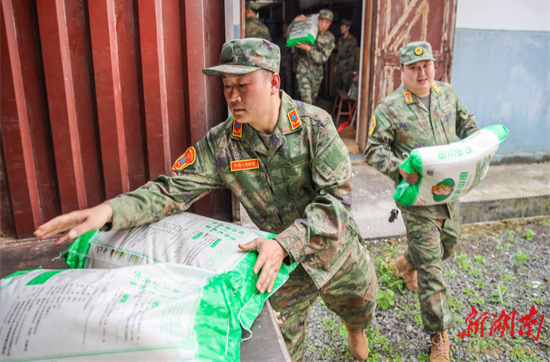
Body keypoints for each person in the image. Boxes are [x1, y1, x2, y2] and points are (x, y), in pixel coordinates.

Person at [34, 38, 377, 362]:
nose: (233, 96)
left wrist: (287, 243)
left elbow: (336, 204)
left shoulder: (315, 126)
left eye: (243, 85)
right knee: (279, 348)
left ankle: (354, 328)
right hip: (277, 267)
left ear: (273, 82)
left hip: (336, 252)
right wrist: (109, 211)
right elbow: (171, 189)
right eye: (227, 86)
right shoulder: (223, 144)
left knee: (360, 307)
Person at [364, 41, 480, 362]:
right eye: (413, 68)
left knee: (450, 244)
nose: (421, 72)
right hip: (416, 198)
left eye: (426, 65)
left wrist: (479, 142)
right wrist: (398, 168)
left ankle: (405, 262)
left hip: (447, 191)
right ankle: (438, 336)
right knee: (433, 268)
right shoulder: (390, 108)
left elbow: (467, 124)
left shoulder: (446, 94)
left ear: (434, 66)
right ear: (401, 70)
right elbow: (373, 148)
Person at [291, 9, 335, 105]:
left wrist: (309, 49)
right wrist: (295, 21)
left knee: (312, 101)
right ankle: (303, 119)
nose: (323, 25)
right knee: (306, 100)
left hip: (316, 75)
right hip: (303, 70)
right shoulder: (307, 30)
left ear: (330, 23)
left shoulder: (330, 38)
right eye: (321, 21)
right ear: (318, 20)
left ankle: (306, 118)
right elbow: (290, 35)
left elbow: (323, 58)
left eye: (326, 22)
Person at [334, 19, 358, 92]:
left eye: (343, 26)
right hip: (339, 65)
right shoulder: (341, 39)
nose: (341, 28)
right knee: (337, 85)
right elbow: (338, 53)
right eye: (341, 26)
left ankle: (344, 103)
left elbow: (352, 56)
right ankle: (337, 103)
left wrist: (349, 68)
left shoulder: (352, 40)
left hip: (346, 67)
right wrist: (336, 65)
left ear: (348, 27)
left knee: (345, 85)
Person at [275, 21, 293, 97]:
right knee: (280, 81)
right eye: (283, 27)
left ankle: (289, 97)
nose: (284, 28)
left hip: (289, 63)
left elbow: (294, 52)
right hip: (281, 62)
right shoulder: (279, 39)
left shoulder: (291, 39)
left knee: (289, 82)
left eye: (286, 26)